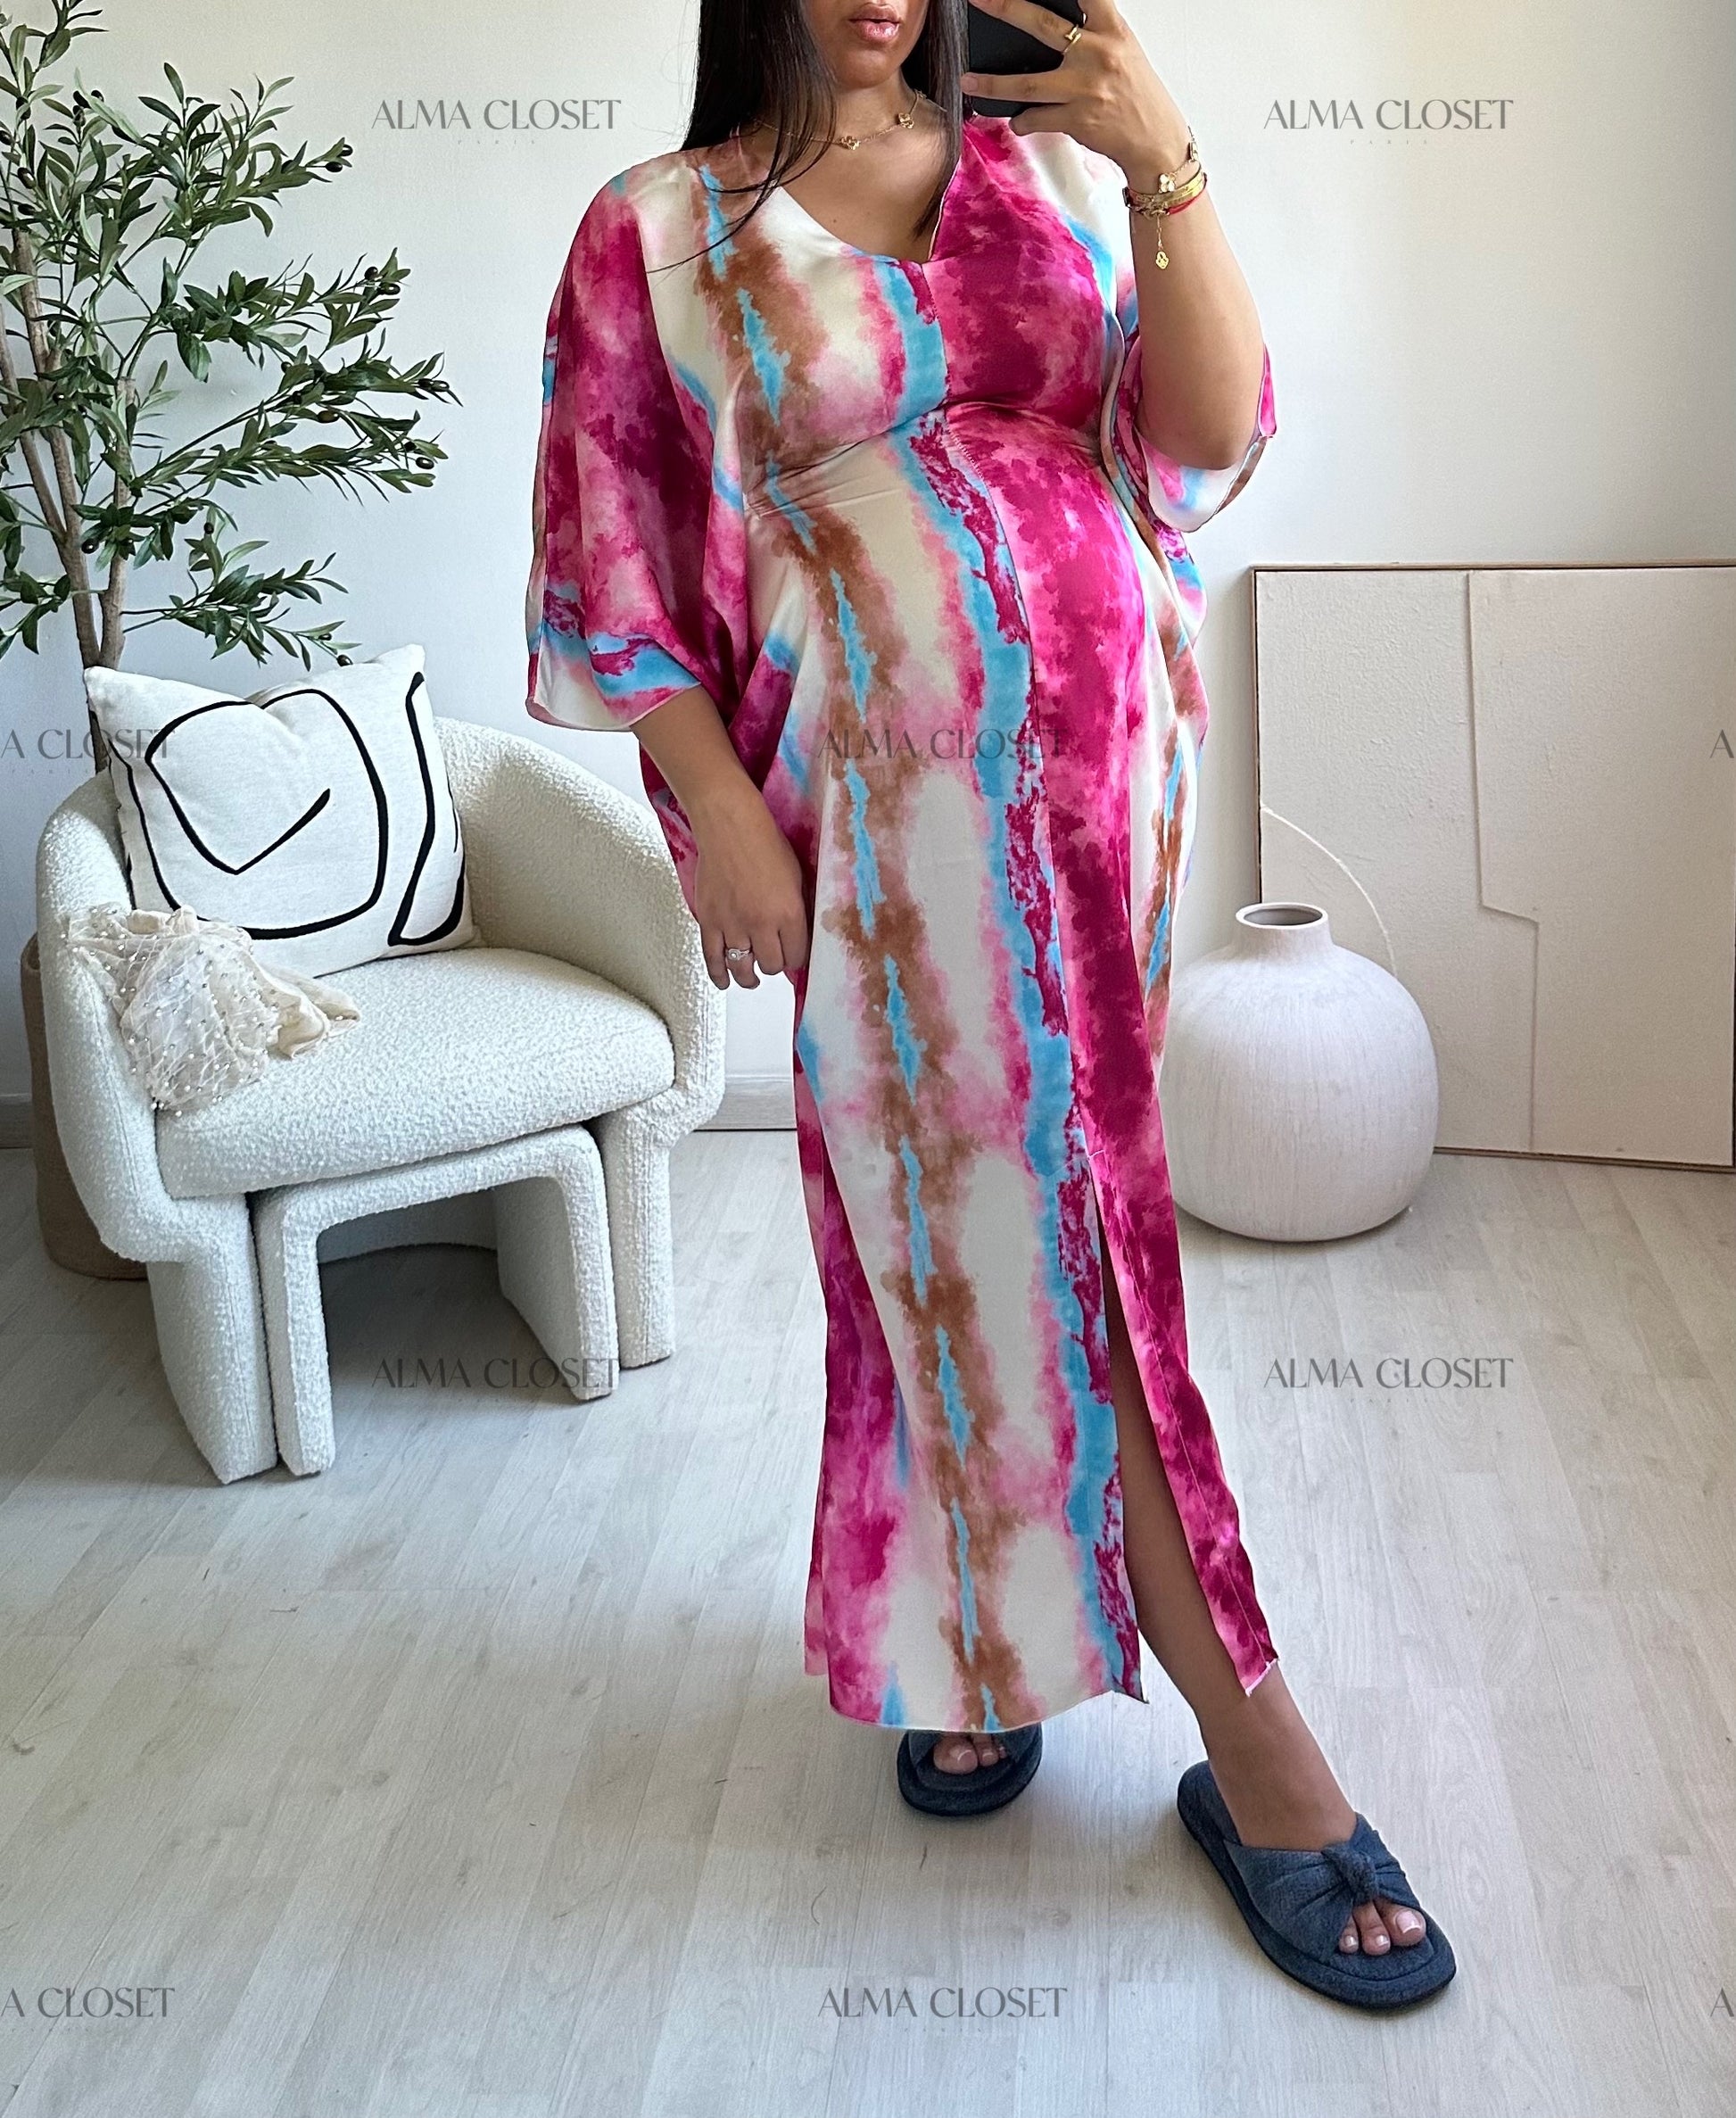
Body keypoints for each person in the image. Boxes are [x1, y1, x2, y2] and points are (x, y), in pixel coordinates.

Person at [525, 0, 1455, 2009]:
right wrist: (722, 829)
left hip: (1110, 794)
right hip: (883, 825)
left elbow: (1201, 435)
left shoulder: (1043, 170)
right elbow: (613, 573)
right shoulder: (656, 230)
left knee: (1020, 1233)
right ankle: (1260, 1751)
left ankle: (972, 1643)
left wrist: (1163, 154)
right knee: (990, 1244)